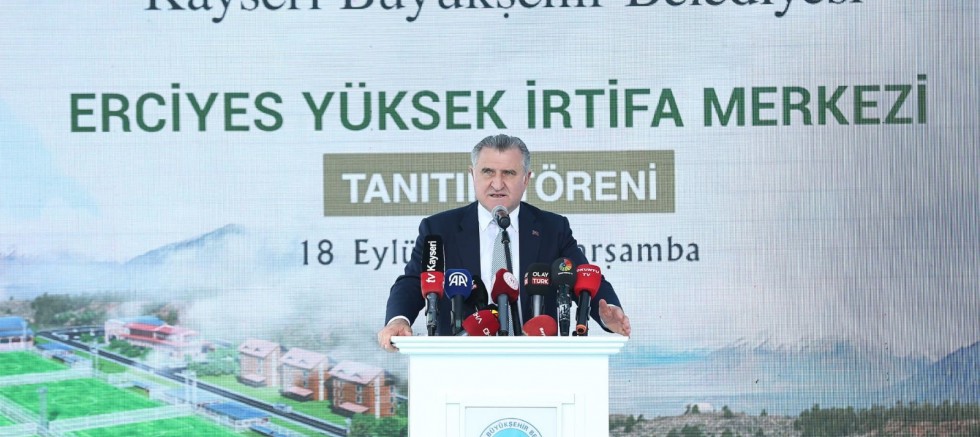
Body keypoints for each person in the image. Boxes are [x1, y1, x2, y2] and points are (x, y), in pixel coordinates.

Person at [377, 134, 631, 351]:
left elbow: (583, 278)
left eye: (509, 173)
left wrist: (608, 314)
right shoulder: (440, 229)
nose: (497, 184)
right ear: (472, 174)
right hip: (459, 358)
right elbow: (413, 282)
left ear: (526, 179)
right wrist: (398, 320)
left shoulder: (552, 228)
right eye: (488, 172)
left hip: (537, 359)